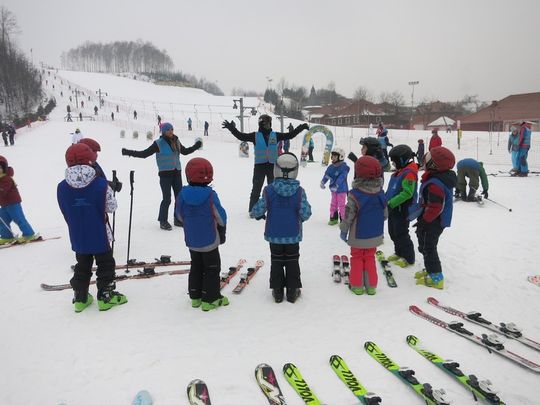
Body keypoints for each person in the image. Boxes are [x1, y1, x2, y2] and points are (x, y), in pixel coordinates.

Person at [57, 143, 127, 312]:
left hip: (78, 234)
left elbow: (65, 210)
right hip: (100, 233)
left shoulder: (62, 187)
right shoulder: (101, 184)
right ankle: (105, 296)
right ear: (90, 160)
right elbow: (111, 207)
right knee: (105, 263)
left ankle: (80, 298)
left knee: (82, 264)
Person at [250, 152, 312, 303]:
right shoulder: (299, 191)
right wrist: (300, 218)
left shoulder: (269, 190)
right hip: (293, 235)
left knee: (276, 261)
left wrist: (257, 213)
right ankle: (292, 290)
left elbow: (257, 210)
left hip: (274, 235)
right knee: (292, 261)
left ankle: (277, 291)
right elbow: (306, 213)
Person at [121, 122, 202, 230]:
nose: (171, 131)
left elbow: (185, 151)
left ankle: (177, 218)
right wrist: (128, 152)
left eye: (172, 129)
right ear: (163, 131)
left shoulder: (176, 140)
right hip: (165, 175)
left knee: (179, 197)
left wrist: (196, 146)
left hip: (177, 173)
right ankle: (163, 221)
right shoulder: (158, 143)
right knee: (167, 199)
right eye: (168, 130)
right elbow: (144, 154)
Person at [222, 115, 308, 212]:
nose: (267, 125)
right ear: (260, 124)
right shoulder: (255, 136)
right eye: (265, 123)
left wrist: (300, 128)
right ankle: (253, 210)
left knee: (274, 190)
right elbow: (241, 136)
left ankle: (274, 209)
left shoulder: (275, 135)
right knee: (256, 189)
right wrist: (231, 128)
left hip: (272, 167)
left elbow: (290, 135)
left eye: (269, 123)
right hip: (259, 167)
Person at [176, 158, 228, 311]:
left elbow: (179, 215)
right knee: (212, 269)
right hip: (210, 240)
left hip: (192, 240)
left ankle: (195, 297)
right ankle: (210, 299)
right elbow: (220, 216)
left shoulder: (182, 194)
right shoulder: (210, 195)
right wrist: (222, 229)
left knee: (196, 266)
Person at [339, 156, 387, 295]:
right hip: (375, 234)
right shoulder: (380, 193)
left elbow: (349, 215)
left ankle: (357, 286)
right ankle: (371, 286)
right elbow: (385, 214)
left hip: (358, 234)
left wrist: (344, 230)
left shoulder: (355, 195)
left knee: (357, 257)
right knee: (370, 257)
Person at [410, 146, 456, 290]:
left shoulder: (435, 183)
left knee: (428, 247)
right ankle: (430, 270)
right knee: (424, 244)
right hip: (432, 219)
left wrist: (424, 221)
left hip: (433, 220)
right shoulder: (437, 178)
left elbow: (436, 207)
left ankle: (436, 277)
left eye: (427, 160)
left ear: (434, 164)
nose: (424, 162)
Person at [386, 145, 418, 267]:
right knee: (393, 232)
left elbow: (407, 193)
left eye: (394, 161)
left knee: (401, 233)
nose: (393, 163)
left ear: (402, 159)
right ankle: (399, 252)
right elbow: (391, 190)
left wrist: (391, 203)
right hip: (393, 208)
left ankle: (409, 258)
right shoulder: (398, 173)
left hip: (402, 209)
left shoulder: (409, 173)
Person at [0, 155, 39, 245]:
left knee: (18, 219)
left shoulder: (6, 178)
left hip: (13, 203)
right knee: (2, 220)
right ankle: (7, 237)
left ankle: (29, 234)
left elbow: (2, 190)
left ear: (4, 168)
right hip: (4, 205)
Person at [320, 147, 349, 225]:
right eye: (332, 156)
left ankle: (343, 219)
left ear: (341, 157)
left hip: (341, 189)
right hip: (333, 189)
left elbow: (342, 177)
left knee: (341, 205)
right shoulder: (331, 167)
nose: (333, 157)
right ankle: (333, 218)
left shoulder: (344, 167)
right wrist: (323, 182)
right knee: (333, 204)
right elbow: (327, 175)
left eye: (335, 156)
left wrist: (336, 184)